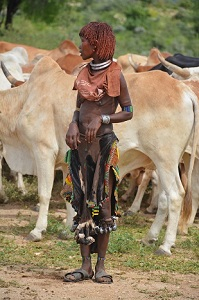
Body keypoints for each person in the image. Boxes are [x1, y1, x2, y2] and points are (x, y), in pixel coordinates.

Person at [62, 21, 133, 284]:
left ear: (97, 44)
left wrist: (103, 119)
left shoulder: (115, 74)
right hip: (80, 147)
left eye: (84, 41)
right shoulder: (83, 72)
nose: (80, 45)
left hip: (103, 147)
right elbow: (79, 106)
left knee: (103, 207)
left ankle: (101, 267)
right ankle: (85, 267)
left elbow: (129, 111)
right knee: (82, 206)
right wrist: (72, 123)